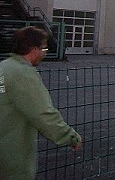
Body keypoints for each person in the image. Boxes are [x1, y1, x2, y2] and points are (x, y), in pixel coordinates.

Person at [0, 26, 83, 180]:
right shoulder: (23, 74)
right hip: (11, 157)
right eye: (44, 49)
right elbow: (43, 113)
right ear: (34, 49)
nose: (44, 53)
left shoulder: (4, 67)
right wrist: (70, 136)